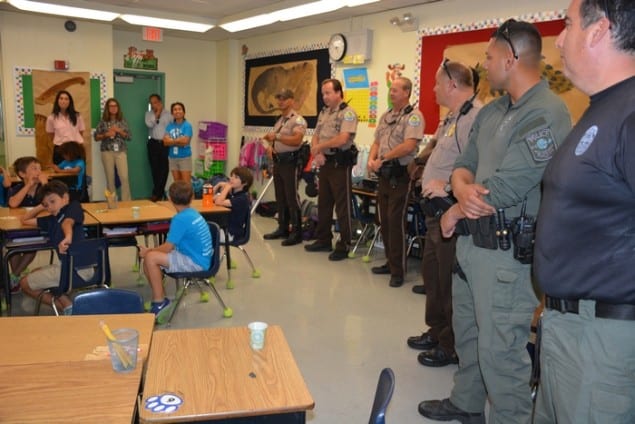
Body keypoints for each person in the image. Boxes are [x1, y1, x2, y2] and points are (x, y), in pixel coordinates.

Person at [418, 19, 572, 423]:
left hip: (506, 257)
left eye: (488, 57)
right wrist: (461, 185)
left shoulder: (547, 112)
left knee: (500, 352)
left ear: (511, 57)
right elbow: (464, 163)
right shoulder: (495, 110)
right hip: (473, 246)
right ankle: (467, 404)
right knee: (468, 335)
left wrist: (455, 206)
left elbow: (508, 187)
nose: (484, 65)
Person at [533, 1, 635, 422]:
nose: (558, 39)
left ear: (599, 31)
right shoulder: (602, 108)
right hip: (569, 327)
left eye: (568, 25)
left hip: (601, 341)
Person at [407, 60, 481, 368]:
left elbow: (475, 168)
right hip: (434, 213)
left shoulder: (475, 118)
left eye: (437, 83)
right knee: (434, 276)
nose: (434, 89)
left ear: (452, 84)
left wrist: (448, 187)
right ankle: (437, 332)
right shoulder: (453, 116)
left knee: (450, 282)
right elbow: (443, 152)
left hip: (452, 213)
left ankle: (451, 346)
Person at [367, 76, 424, 287]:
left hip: (400, 175)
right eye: (391, 90)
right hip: (383, 175)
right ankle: (390, 263)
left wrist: (383, 159)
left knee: (396, 222)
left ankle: (398, 271)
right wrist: (372, 159)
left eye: (396, 90)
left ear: (407, 92)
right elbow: (377, 141)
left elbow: (409, 146)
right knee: (384, 221)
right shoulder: (386, 115)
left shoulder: (414, 117)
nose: (392, 93)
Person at [139, 181, 212, 319]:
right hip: (200, 256)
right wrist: (151, 251)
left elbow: (167, 247)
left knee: (150, 258)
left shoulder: (180, 219)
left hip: (196, 262)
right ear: (192, 198)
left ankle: (160, 302)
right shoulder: (192, 213)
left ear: (169, 199)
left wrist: (149, 251)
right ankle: (159, 295)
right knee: (149, 259)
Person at [304, 78, 358, 261]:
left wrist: (320, 147)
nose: (325, 97)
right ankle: (323, 239)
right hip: (324, 162)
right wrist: (316, 151)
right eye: (323, 94)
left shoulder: (347, 113)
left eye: (328, 93)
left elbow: (343, 139)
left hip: (339, 163)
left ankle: (344, 244)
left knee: (342, 206)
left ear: (338, 93)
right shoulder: (324, 112)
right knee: (324, 203)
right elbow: (316, 135)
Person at [18, 180, 85, 314]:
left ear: (65, 198)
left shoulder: (73, 207)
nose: (50, 207)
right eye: (46, 205)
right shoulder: (50, 220)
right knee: (35, 271)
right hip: (72, 268)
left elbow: (67, 223)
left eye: (53, 201)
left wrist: (68, 236)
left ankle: (69, 308)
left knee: (24, 283)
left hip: (76, 270)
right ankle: (69, 307)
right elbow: (24, 220)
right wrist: (41, 206)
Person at [262, 88, 307, 246]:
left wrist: (278, 137)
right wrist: (271, 146)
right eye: (278, 98)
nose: (280, 101)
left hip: (291, 162)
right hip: (279, 161)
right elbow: (277, 139)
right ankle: (282, 228)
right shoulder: (280, 120)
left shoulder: (297, 120)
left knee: (291, 197)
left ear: (291, 100)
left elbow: (296, 140)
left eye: (284, 98)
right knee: (280, 196)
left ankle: (296, 232)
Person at [7, 156, 49, 292]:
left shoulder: (44, 188)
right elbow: (13, 203)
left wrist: (45, 185)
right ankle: (17, 276)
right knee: (12, 247)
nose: (38, 172)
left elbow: (55, 202)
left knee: (33, 245)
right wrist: (28, 185)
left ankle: (15, 276)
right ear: (22, 174)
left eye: (39, 168)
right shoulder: (17, 188)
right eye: (34, 168)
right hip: (18, 228)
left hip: (38, 228)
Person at [94, 97, 131, 201]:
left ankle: (126, 202)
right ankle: (111, 202)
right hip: (107, 152)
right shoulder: (103, 122)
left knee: (124, 177)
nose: (113, 108)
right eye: (111, 106)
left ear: (118, 108)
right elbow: (96, 137)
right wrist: (106, 134)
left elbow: (129, 137)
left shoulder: (122, 121)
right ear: (107, 108)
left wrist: (119, 130)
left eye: (115, 106)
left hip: (121, 152)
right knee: (110, 179)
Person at [214, 166, 254, 242]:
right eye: (231, 176)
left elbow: (218, 202)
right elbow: (213, 198)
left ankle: (212, 253)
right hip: (224, 228)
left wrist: (226, 188)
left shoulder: (242, 198)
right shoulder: (233, 194)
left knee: (202, 235)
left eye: (236, 177)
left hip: (231, 233)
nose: (231, 178)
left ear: (244, 183)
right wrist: (218, 185)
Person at [46, 90, 85, 165]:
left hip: (76, 149)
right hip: (60, 150)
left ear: (70, 102)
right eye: (61, 98)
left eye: (66, 99)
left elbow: (81, 132)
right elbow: (51, 134)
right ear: (57, 101)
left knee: (76, 174)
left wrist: (74, 144)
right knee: (61, 175)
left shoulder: (77, 116)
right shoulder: (51, 118)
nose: (63, 101)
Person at [145, 94, 171, 201]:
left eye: (155, 102)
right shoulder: (148, 114)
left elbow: (172, 128)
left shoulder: (169, 114)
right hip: (153, 143)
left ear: (160, 102)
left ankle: (158, 194)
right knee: (155, 169)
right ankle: (158, 193)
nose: (153, 105)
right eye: (151, 103)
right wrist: (157, 114)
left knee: (164, 170)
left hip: (165, 144)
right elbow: (149, 125)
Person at [163, 102, 193, 183]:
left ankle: (191, 196)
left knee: (186, 184)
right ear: (172, 113)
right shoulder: (169, 126)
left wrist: (171, 140)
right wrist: (179, 140)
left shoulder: (187, 125)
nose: (177, 111)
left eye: (179, 109)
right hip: (172, 158)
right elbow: (165, 142)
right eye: (175, 110)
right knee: (177, 184)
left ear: (183, 112)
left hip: (184, 157)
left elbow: (185, 141)